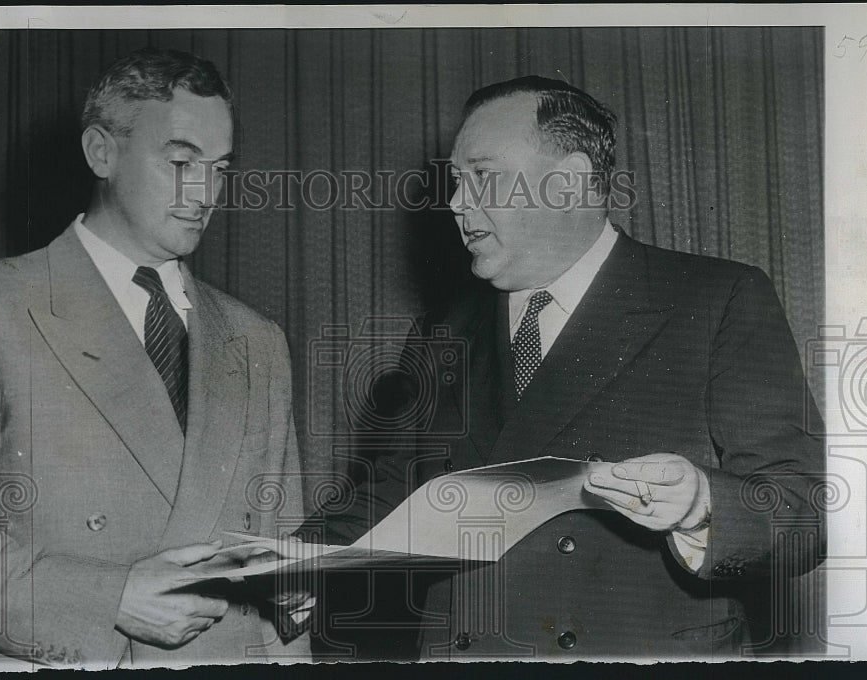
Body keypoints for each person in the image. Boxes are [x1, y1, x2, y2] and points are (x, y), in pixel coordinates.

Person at [314, 76, 826, 658]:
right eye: (456, 181)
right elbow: (394, 493)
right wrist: (289, 561)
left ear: (567, 182)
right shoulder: (444, 329)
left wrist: (700, 505)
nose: (456, 203)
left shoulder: (717, 298)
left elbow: (802, 510)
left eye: (482, 175)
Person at [0, 47, 309, 669]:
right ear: (102, 152)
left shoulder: (257, 338)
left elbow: (285, 583)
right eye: (181, 161)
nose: (205, 191)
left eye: (221, 167)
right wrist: (106, 598)